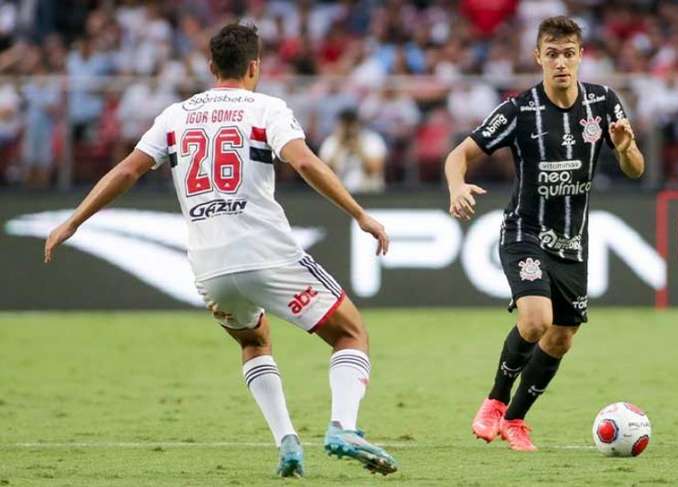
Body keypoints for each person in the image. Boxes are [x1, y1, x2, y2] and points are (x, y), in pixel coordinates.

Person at [44, 23, 398, 477]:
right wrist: (360, 214)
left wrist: (74, 219)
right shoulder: (267, 108)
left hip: (209, 265)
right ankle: (343, 427)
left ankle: (287, 443)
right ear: (255, 67)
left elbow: (129, 170)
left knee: (253, 339)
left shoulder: (174, 116)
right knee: (350, 333)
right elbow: (305, 161)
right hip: (267, 253)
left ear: (211, 67)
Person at [443, 16, 644, 451]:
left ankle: (515, 420)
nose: (561, 63)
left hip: (573, 241)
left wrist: (626, 147)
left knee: (561, 337)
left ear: (580, 56)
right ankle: (495, 402)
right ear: (538, 57)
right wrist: (457, 185)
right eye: (551, 54)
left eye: (569, 53)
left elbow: (635, 168)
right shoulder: (519, 110)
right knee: (536, 321)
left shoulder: (606, 102)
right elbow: (459, 154)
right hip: (524, 231)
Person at [319, 108, 387, 193]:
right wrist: (339, 146)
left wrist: (358, 148)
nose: (348, 129)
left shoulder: (372, 140)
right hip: (340, 194)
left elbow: (374, 170)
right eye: (345, 125)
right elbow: (324, 174)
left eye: (351, 124)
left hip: (369, 192)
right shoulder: (331, 142)